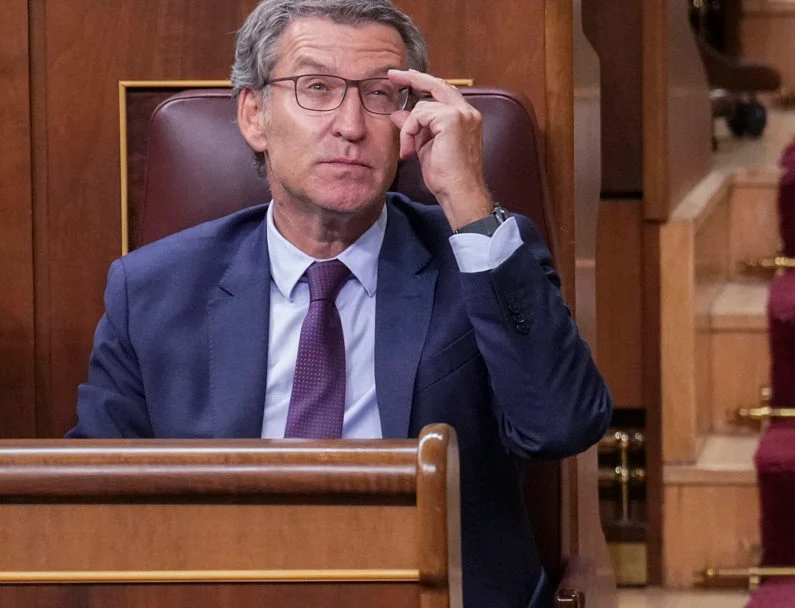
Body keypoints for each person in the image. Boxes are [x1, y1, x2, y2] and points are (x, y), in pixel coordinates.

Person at [69, 0, 613, 606]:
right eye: (317, 88)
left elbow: (563, 425)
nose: (351, 125)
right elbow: (96, 501)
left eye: (380, 95)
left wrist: (468, 198)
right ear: (254, 115)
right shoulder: (152, 290)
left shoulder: (480, 259)